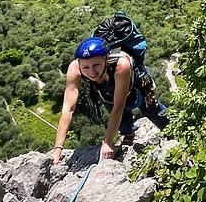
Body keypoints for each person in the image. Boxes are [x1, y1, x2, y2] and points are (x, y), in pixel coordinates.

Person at [51, 37, 141, 167]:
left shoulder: (121, 64)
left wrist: (108, 143)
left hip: (137, 82)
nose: (91, 72)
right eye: (85, 67)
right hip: (106, 85)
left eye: (96, 65)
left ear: (106, 59)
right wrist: (58, 147)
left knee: (154, 113)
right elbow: (68, 108)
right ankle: (128, 133)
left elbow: (119, 106)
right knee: (115, 111)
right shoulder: (75, 67)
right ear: (79, 63)